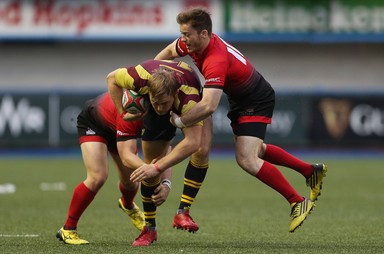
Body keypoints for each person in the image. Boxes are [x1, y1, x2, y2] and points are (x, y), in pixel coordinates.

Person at [132, 7, 328, 233]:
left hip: (255, 98)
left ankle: (297, 201)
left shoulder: (215, 59)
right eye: (182, 34)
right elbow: (167, 52)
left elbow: (209, 106)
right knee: (257, 150)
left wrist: (179, 121)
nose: (183, 39)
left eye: (187, 34)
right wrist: (157, 80)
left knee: (246, 158)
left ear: (204, 34)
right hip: (241, 98)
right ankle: (309, 172)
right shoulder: (191, 43)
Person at [107, 59, 212, 246]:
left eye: (164, 103)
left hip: (189, 93)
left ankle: (183, 212)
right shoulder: (139, 78)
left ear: (173, 95)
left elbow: (192, 143)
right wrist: (122, 113)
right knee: (149, 165)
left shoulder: (188, 99)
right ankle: (150, 229)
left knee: (202, 149)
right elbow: (111, 79)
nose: (160, 108)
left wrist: (158, 169)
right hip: (158, 90)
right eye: (156, 103)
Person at [56, 92, 172, 245]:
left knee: (131, 182)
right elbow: (126, 156)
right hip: (95, 123)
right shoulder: (133, 111)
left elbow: (165, 151)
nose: (161, 108)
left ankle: (127, 204)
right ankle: (68, 228)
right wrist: (151, 170)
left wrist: (166, 183)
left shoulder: (165, 114)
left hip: (117, 128)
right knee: (98, 177)